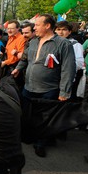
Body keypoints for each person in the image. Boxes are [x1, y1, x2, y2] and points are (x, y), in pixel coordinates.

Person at [12, 14, 76, 157]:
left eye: (37, 25)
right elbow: (25, 58)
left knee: (45, 118)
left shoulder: (63, 44)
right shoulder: (33, 41)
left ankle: (41, 143)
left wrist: (64, 92)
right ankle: (29, 137)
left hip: (49, 89)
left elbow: (68, 69)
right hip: (29, 87)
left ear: (47, 26)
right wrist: (18, 68)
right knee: (28, 115)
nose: (34, 28)